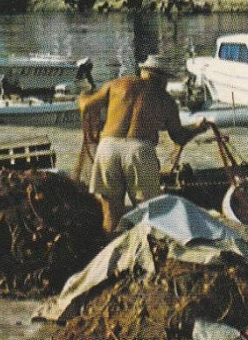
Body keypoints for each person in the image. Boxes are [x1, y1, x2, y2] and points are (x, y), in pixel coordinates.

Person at [78, 53, 213, 233]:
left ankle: (110, 255)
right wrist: (198, 128)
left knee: (110, 214)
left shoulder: (117, 84)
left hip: (108, 147)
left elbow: (86, 107)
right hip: (140, 150)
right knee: (149, 213)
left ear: (143, 71)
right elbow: (178, 137)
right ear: (163, 77)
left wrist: (85, 93)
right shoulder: (166, 100)